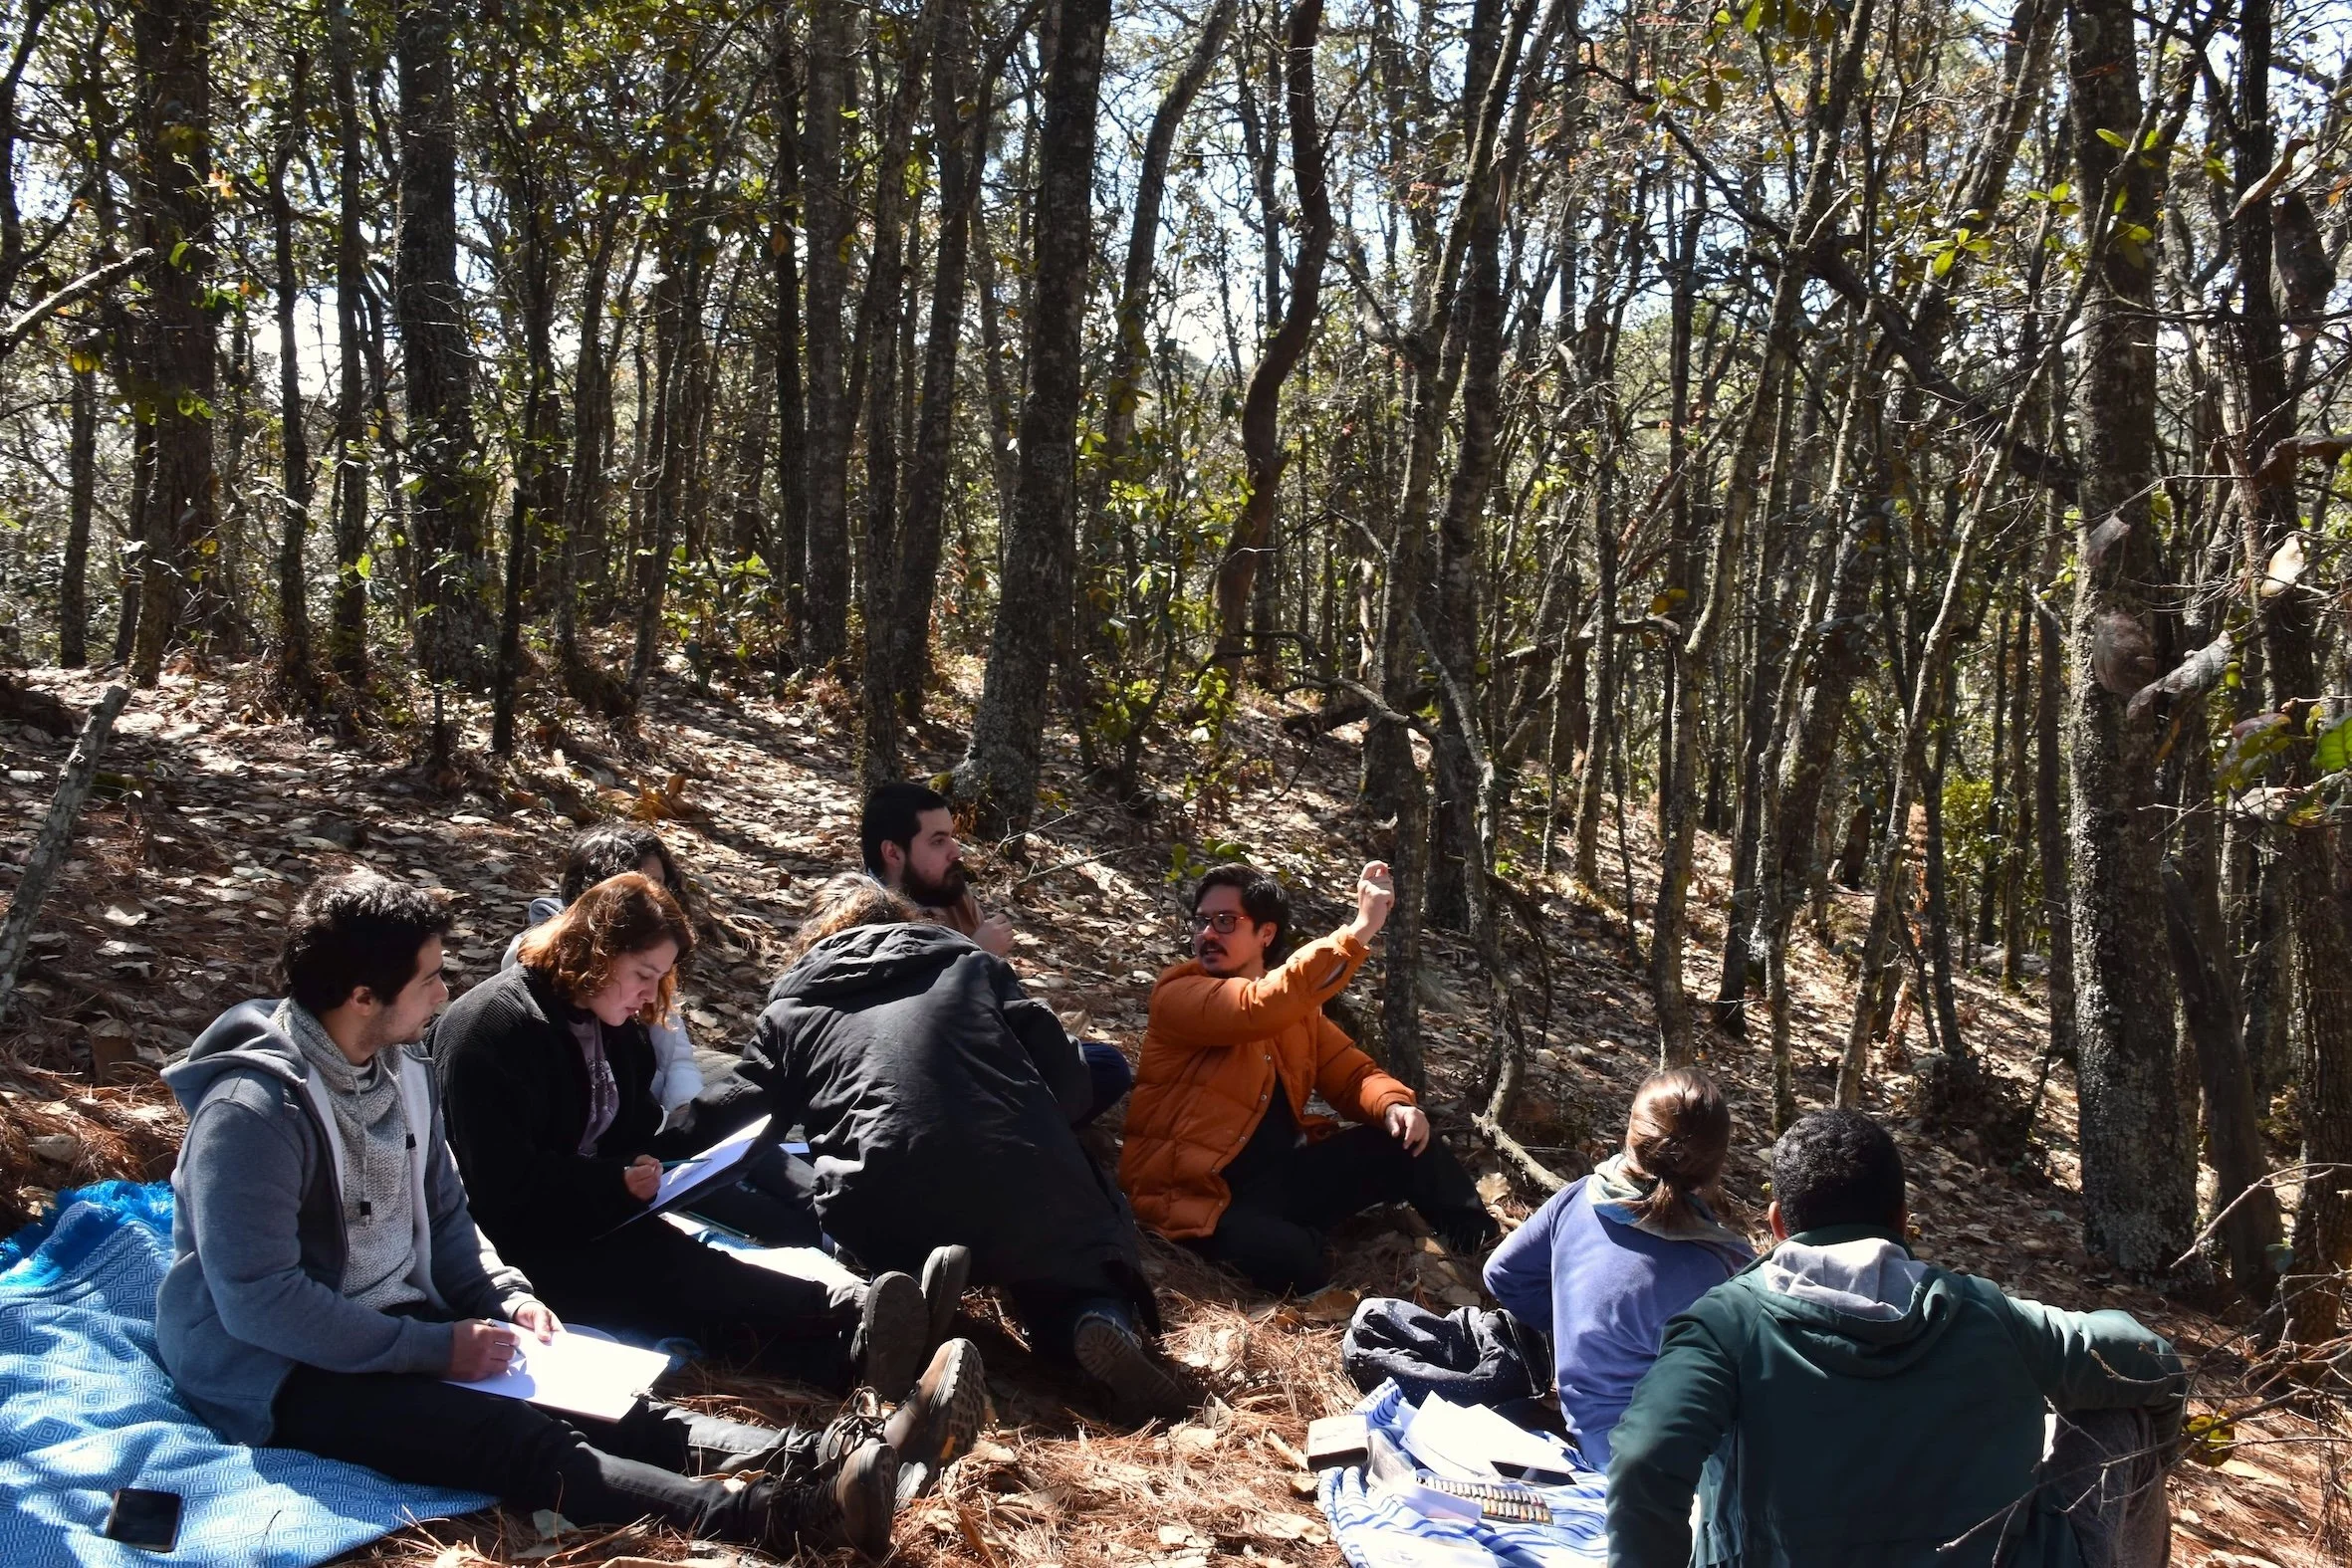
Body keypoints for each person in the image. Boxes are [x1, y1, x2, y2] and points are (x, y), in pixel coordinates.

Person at [155, 870, 981, 1559]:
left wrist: (504, 1296)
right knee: (519, 1442)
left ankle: (833, 1460)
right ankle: (780, 1517)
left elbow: (447, 1217)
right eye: (431, 978)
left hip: (399, 1318)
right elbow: (261, 1301)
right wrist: (437, 1348)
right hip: (283, 1369)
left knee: (613, 1403)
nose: (446, 992)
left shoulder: (397, 1071)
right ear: (364, 995)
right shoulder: (255, 1112)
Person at [433, 872, 942, 1402]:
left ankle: (866, 1324)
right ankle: (861, 1344)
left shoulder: (609, 1020)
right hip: (516, 1252)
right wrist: (614, 1183)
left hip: (596, 1219)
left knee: (704, 1271)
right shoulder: (493, 1030)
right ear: (595, 952)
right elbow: (499, 1188)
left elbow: (629, 1129)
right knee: (679, 1281)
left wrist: (655, 1168)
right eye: (642, 974)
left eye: (661, 978)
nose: (650, 995)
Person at [1606, 1110, 2185, 1568]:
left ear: (1778, 1223)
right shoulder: (1988, 1314)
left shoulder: (1722, 1327)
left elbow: (1643, 1460)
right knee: (2118, 1411)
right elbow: (2149, 1359)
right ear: (1903, 1219)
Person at [742, 874, 1188, 1421]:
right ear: (906, 923)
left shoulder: (788, 1013)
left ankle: (898, 1302)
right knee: (1064, 1244)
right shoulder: (969, 965)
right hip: (1019, 1184)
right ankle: (1093, 1317)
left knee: (885, 1233)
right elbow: (1070, 1083)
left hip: (881, 1208)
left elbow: (739, 1109)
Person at [1120, 861, 1499, 1294]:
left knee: (1410, 1140)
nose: (1208, 933)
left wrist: (1394, 1104)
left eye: (1226, 921)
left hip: (1275, 1183)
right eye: (1202, 921)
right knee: (1297, 1259)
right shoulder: (1179, 994)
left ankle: (1489, 1254)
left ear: (1266, 933)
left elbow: (1354, 1075)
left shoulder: (1296, 1014)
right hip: (1194, 1198)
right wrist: (1358, 930)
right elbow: (1255, 1007)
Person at [1481, 1069, 1753, 1465]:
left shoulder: (1580, 1198)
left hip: (1588, 1433)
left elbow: (1502, 1274)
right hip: (1666, 1469)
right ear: (1716, 1163)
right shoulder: (1718, 1271)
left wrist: (1578, 1325)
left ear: (1632, 1137)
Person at [859, 782, 1134, 1128]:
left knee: (1103, 1066)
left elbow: (997, 1007)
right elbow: (897, 1028)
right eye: (938, 841)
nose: (955, 851)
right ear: (894, 853)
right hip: (916, 1079)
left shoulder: (949, 891)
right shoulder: (862, 916)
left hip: (985, 1058)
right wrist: (976, 954)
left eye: (952, 837)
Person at [505, 824, 701, 1130]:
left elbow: (676, 1055)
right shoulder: (534, 967)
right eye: (633, 891)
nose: (655, 901)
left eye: (659, 886)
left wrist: (686, 1113)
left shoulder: (653, 958)